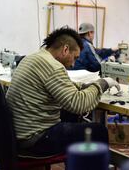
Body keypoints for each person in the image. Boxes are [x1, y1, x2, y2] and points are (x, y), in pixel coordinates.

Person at [6, 27, 120, 157]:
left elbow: (62, 86)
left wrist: (85, 86)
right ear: (65, 49)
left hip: (19, 134)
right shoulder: (53, 66)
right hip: (34, 139)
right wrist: (103, 83)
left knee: (70, 115)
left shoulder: (35, 58)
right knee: (98, 131)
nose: (73, 64)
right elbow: (79, 104)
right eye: (75, 58)